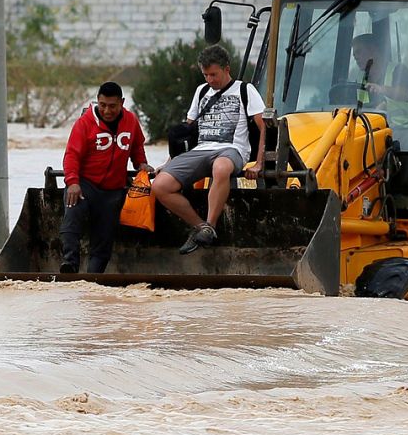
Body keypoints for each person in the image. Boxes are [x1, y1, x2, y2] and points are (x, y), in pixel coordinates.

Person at [151, 45, 266, 254]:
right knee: (160, 185)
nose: (210, 80)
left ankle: (211, 223)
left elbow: (263, 126)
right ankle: (202, 228)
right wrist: (170, 162)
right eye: (206, 75)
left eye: (214, 74)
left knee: (221, 167)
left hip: (231, 150)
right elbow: (186, 132)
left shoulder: (245, 90)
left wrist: (259, 163)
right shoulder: (201, 91)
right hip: (201, 149)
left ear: (227, 69)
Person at [59, 81, 150, 274]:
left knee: (105, 235)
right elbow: (71, 155)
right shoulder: (84, 123)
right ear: (97, 102)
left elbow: (137, 146)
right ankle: (69, 265)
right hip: (85, 184)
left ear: (122, 103)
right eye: (102, 105)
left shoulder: (131, 121)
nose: (107, 111)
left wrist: (141, 164)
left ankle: (94, 277)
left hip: (113, 189)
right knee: (72, 215)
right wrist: (72, 182)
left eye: (112, 106)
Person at [351, 32, 408, 148]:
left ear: (373, 50)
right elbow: (364, 105)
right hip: (375, 129)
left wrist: (382, 90)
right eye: (354, 55)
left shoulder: (398, 70)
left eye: (359, 52)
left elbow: (407, 94)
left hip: (406, 129)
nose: (355, 57)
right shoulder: (361, 79)